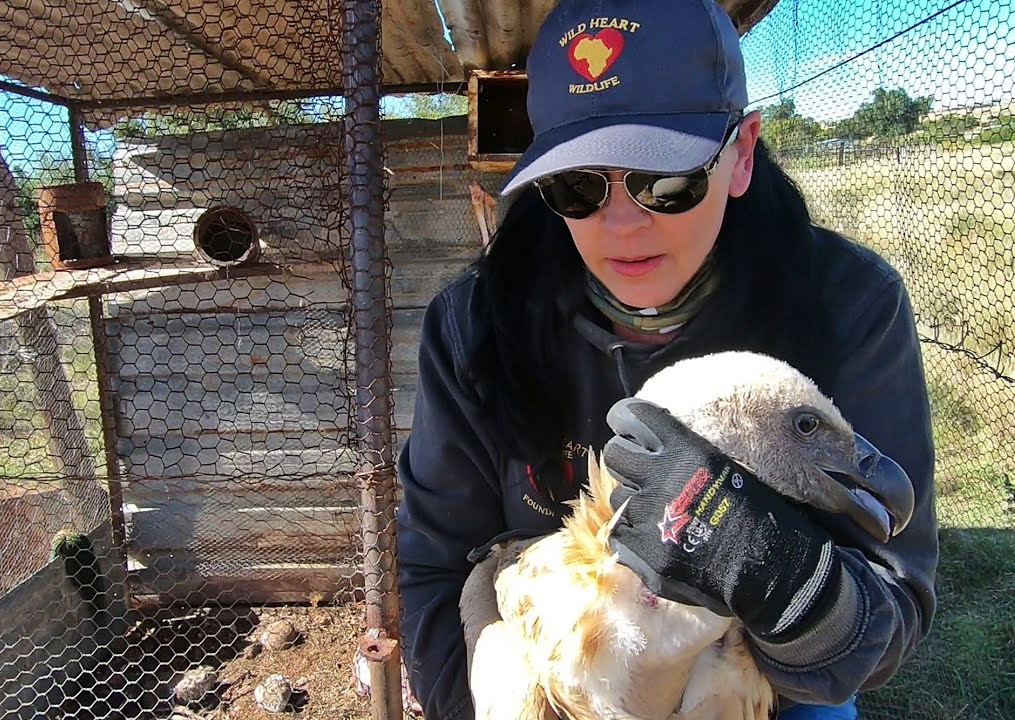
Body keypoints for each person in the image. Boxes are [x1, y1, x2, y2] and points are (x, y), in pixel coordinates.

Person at [394, 0, 938, 718]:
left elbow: (890, 599)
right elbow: (434, 568)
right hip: (562, 663)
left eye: (668, 180)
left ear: (742, 153)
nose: (622, 222)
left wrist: (770, 568)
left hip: (757, 671)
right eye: (577, 186)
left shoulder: (848, 305)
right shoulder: (476, 325)